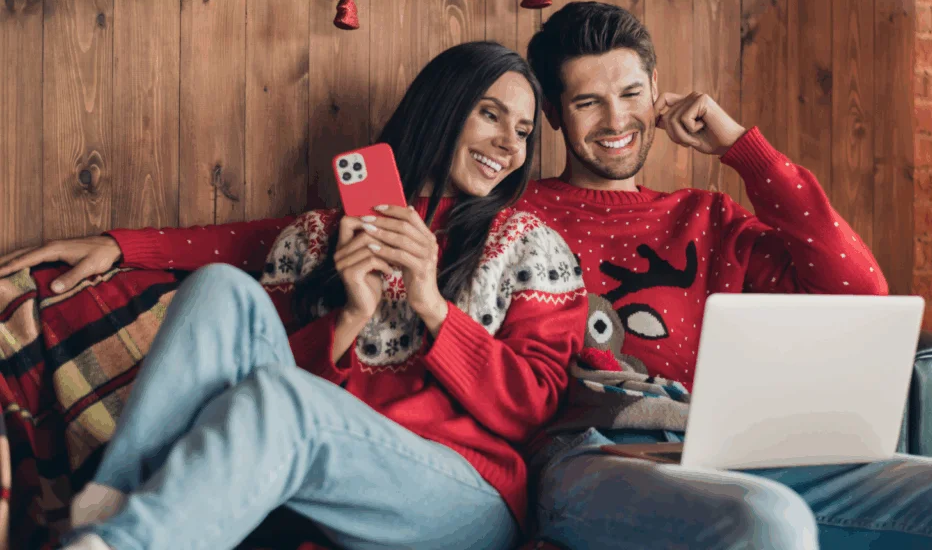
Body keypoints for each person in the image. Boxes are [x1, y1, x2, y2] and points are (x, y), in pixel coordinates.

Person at [0, 41, 587, 550]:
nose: (509, 145)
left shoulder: (530, 247)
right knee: (220, 286)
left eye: (523, 131)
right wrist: (350, 317)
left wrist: (432, 305)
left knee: (285, 398)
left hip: (461, 495)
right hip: (323, 477)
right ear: (442, 107)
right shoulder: (315, 238)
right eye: (490, 114)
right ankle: (109, 510)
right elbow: (256, 396)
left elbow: (533, 408)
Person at [517, 1, 932, 550]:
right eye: (588, 102)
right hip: (591, 454)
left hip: (724, 450)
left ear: (656, 89)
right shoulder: (513, 216)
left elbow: (857, 290)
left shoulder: (707, 216)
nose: (617, 120)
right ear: (553, 112)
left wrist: (742, 149)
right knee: (768, 521)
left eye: (631, 94)